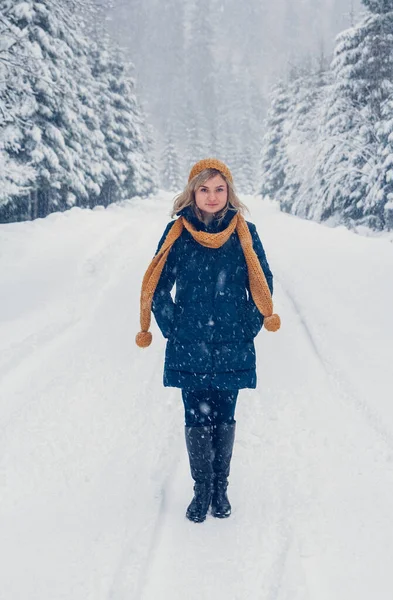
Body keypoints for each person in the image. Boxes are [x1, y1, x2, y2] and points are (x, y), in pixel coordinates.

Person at [136, 158, 280, 523]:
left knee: (225, 417)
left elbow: (263, 284)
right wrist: (175, 328)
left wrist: (246, 327)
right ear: (193, 193)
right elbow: (156, 288)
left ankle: (221, 488)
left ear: (229, 191)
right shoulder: (177, 233)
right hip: (191, 346)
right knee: (196, 417)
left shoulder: (245, 232)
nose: (212, 196)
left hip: (233, 343)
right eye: (205, 189)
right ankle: (202, 490)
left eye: (219, 188)